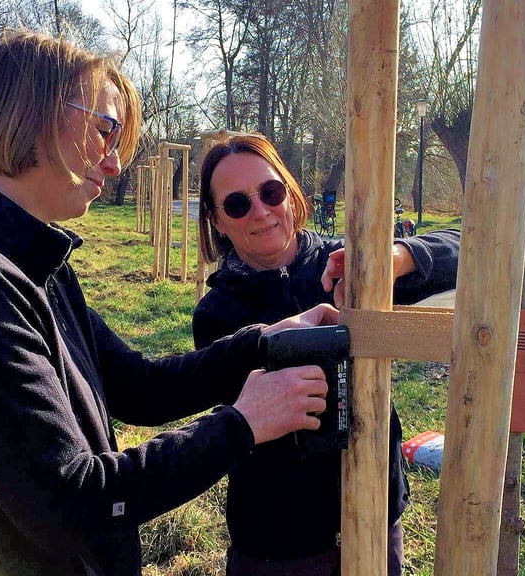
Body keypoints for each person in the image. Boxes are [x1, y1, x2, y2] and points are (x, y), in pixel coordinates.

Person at [0, 33, 339, 576]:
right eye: (104, 131)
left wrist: (266, 342)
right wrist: (242, 425)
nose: (114, 164)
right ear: (34, 110)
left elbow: (139, 387)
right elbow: (69, 503)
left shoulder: (26, 260)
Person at [193, 133, 461, 576]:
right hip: (279, 540)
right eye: (237, 204)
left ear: (290, 193)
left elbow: (462, 250)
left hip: (374, 514)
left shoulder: (346, 263)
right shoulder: (217, 315)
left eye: (270, 191)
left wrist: (393, 259)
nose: (260, 211)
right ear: (217, 221)